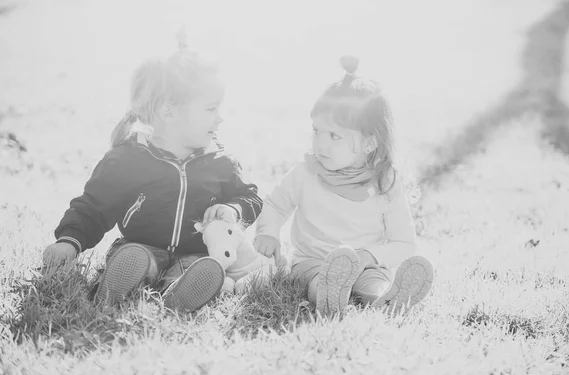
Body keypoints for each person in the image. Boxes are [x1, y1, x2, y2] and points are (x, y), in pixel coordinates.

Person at [41, 29, 263, 312]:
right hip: (139, 247)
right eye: (210, 109)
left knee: (200, 267)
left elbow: (251, 197)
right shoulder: (128, 159)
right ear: (169, 112)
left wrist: (232, 209)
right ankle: (124, 282)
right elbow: (93, 207)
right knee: (137, 258)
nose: (220, 118)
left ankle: (179, 293)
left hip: (193, 254)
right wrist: (69, 241)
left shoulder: (218, 161)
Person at [253, 56, 434, 316]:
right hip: (312, 263)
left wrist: (368, 256)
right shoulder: (306, 172)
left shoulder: (385, 183)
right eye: (316, 131)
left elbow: (404, 244)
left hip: (366, 265)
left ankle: (385, 301)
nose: (320, 144)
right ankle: (329, 295)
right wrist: (268, 231)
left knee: (374, 283)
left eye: (334, 136)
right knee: (318, 279)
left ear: (369, 143)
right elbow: (275, 204)